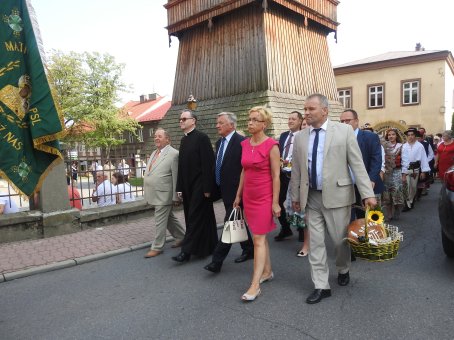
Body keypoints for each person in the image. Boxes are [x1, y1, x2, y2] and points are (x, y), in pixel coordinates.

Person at [290, 94, 376, 304]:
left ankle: (343, 268)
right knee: (317, 243)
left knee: (339, 241)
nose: (307, 113)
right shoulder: (300, 137)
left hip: (338, 196)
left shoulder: (344, 131)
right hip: (311, 197)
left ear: (325, 111)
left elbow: (357, 164)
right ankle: (321, 285)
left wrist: (368, 194)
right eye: (305, 109)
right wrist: (295, 196)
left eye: (311, 109)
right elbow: (297, 170)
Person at [233, 106, 281, 302]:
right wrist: (238, 196)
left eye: (255, 119)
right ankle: (267, 271)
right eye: (249, 119)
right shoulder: (245, 144)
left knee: (258, 239)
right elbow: (244, 171)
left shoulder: (272, 145)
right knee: (258, 237)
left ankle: (255, 285)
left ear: (264, 124)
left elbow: (276, 176)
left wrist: (275, 202)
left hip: (264, 197)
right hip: (249, 197)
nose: (250, 122)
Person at [204, 112, 254, 273]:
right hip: (224, 190)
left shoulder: (242, 142)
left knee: (230, 224)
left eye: (221, 123)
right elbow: (217, 166)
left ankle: (216, 261)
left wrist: (240, 193)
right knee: (236, 220)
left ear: (231, 125)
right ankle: (249, 249)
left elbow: (246, 169)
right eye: (217, 122)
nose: (217, 125)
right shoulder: (219, 143)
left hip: (238, 191)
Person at [173, 110, 218, 262]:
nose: (181, 121)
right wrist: (179, 187)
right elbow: (181, 166)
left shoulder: (202, 138)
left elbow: (208, 164)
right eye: (180, 119)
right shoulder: (183, 140)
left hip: (200, 185)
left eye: (184, 119)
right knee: (201, 217)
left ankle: (186, 251)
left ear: (193, 121)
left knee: (194, 217)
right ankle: (208, 246)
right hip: (187, 187)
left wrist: (207, 188)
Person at [143, 128, 185, 258]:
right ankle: (182, 237)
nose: (156, 138)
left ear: (167, 139)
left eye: (160, 136)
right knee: (169, 218)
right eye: (155, 136)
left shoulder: (174, 154)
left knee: (159, 220)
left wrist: (176, 196)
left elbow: (176, 176)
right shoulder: (155, 152)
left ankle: (157, 247)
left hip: (164, 194)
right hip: (155, 193)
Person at [339, 109, 383, 220]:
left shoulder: (370, 137)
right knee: (346, 220)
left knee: (368, 221)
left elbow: (376, 160)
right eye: (341, 121)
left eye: (347, 120)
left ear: (356, 121)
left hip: (366, 185)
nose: (344, 124)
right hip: (345, 186)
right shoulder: (338, 139)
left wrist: (371, 180)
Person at [274, 111, 303, 242]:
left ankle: (302, 230)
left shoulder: (304, 135)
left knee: (299, 203)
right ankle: (285, 228)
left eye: (293, 119)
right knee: (277, 201)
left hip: (297, 176)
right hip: (282, 174)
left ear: (300, 121)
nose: (290, 121)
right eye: (289, 118)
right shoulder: (284, 135)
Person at [401, 128, 430, 212]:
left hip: (416, 169)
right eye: (409, 135)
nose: (410, 137)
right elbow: (403, 159)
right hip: (407, 169)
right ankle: (407, 204)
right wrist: (403, 172)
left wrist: (424, 171)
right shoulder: (404, 146)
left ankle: (412, 200)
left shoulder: (419, 146)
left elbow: (424, 158)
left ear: (415, 135)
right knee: (407, 186)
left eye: (412, 135)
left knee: (413, 187)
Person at [382, 129, 404, 220]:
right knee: (387, 194)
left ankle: (397, 211)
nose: (391, 136)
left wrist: (404, 174)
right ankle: (389, 214)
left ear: (396, 136)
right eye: (389, 135)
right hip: (386, 173)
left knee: (397, 192)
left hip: (397, 171)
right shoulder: (383, 146)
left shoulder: (401, 146)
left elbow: (404, 160)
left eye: (393, 134)